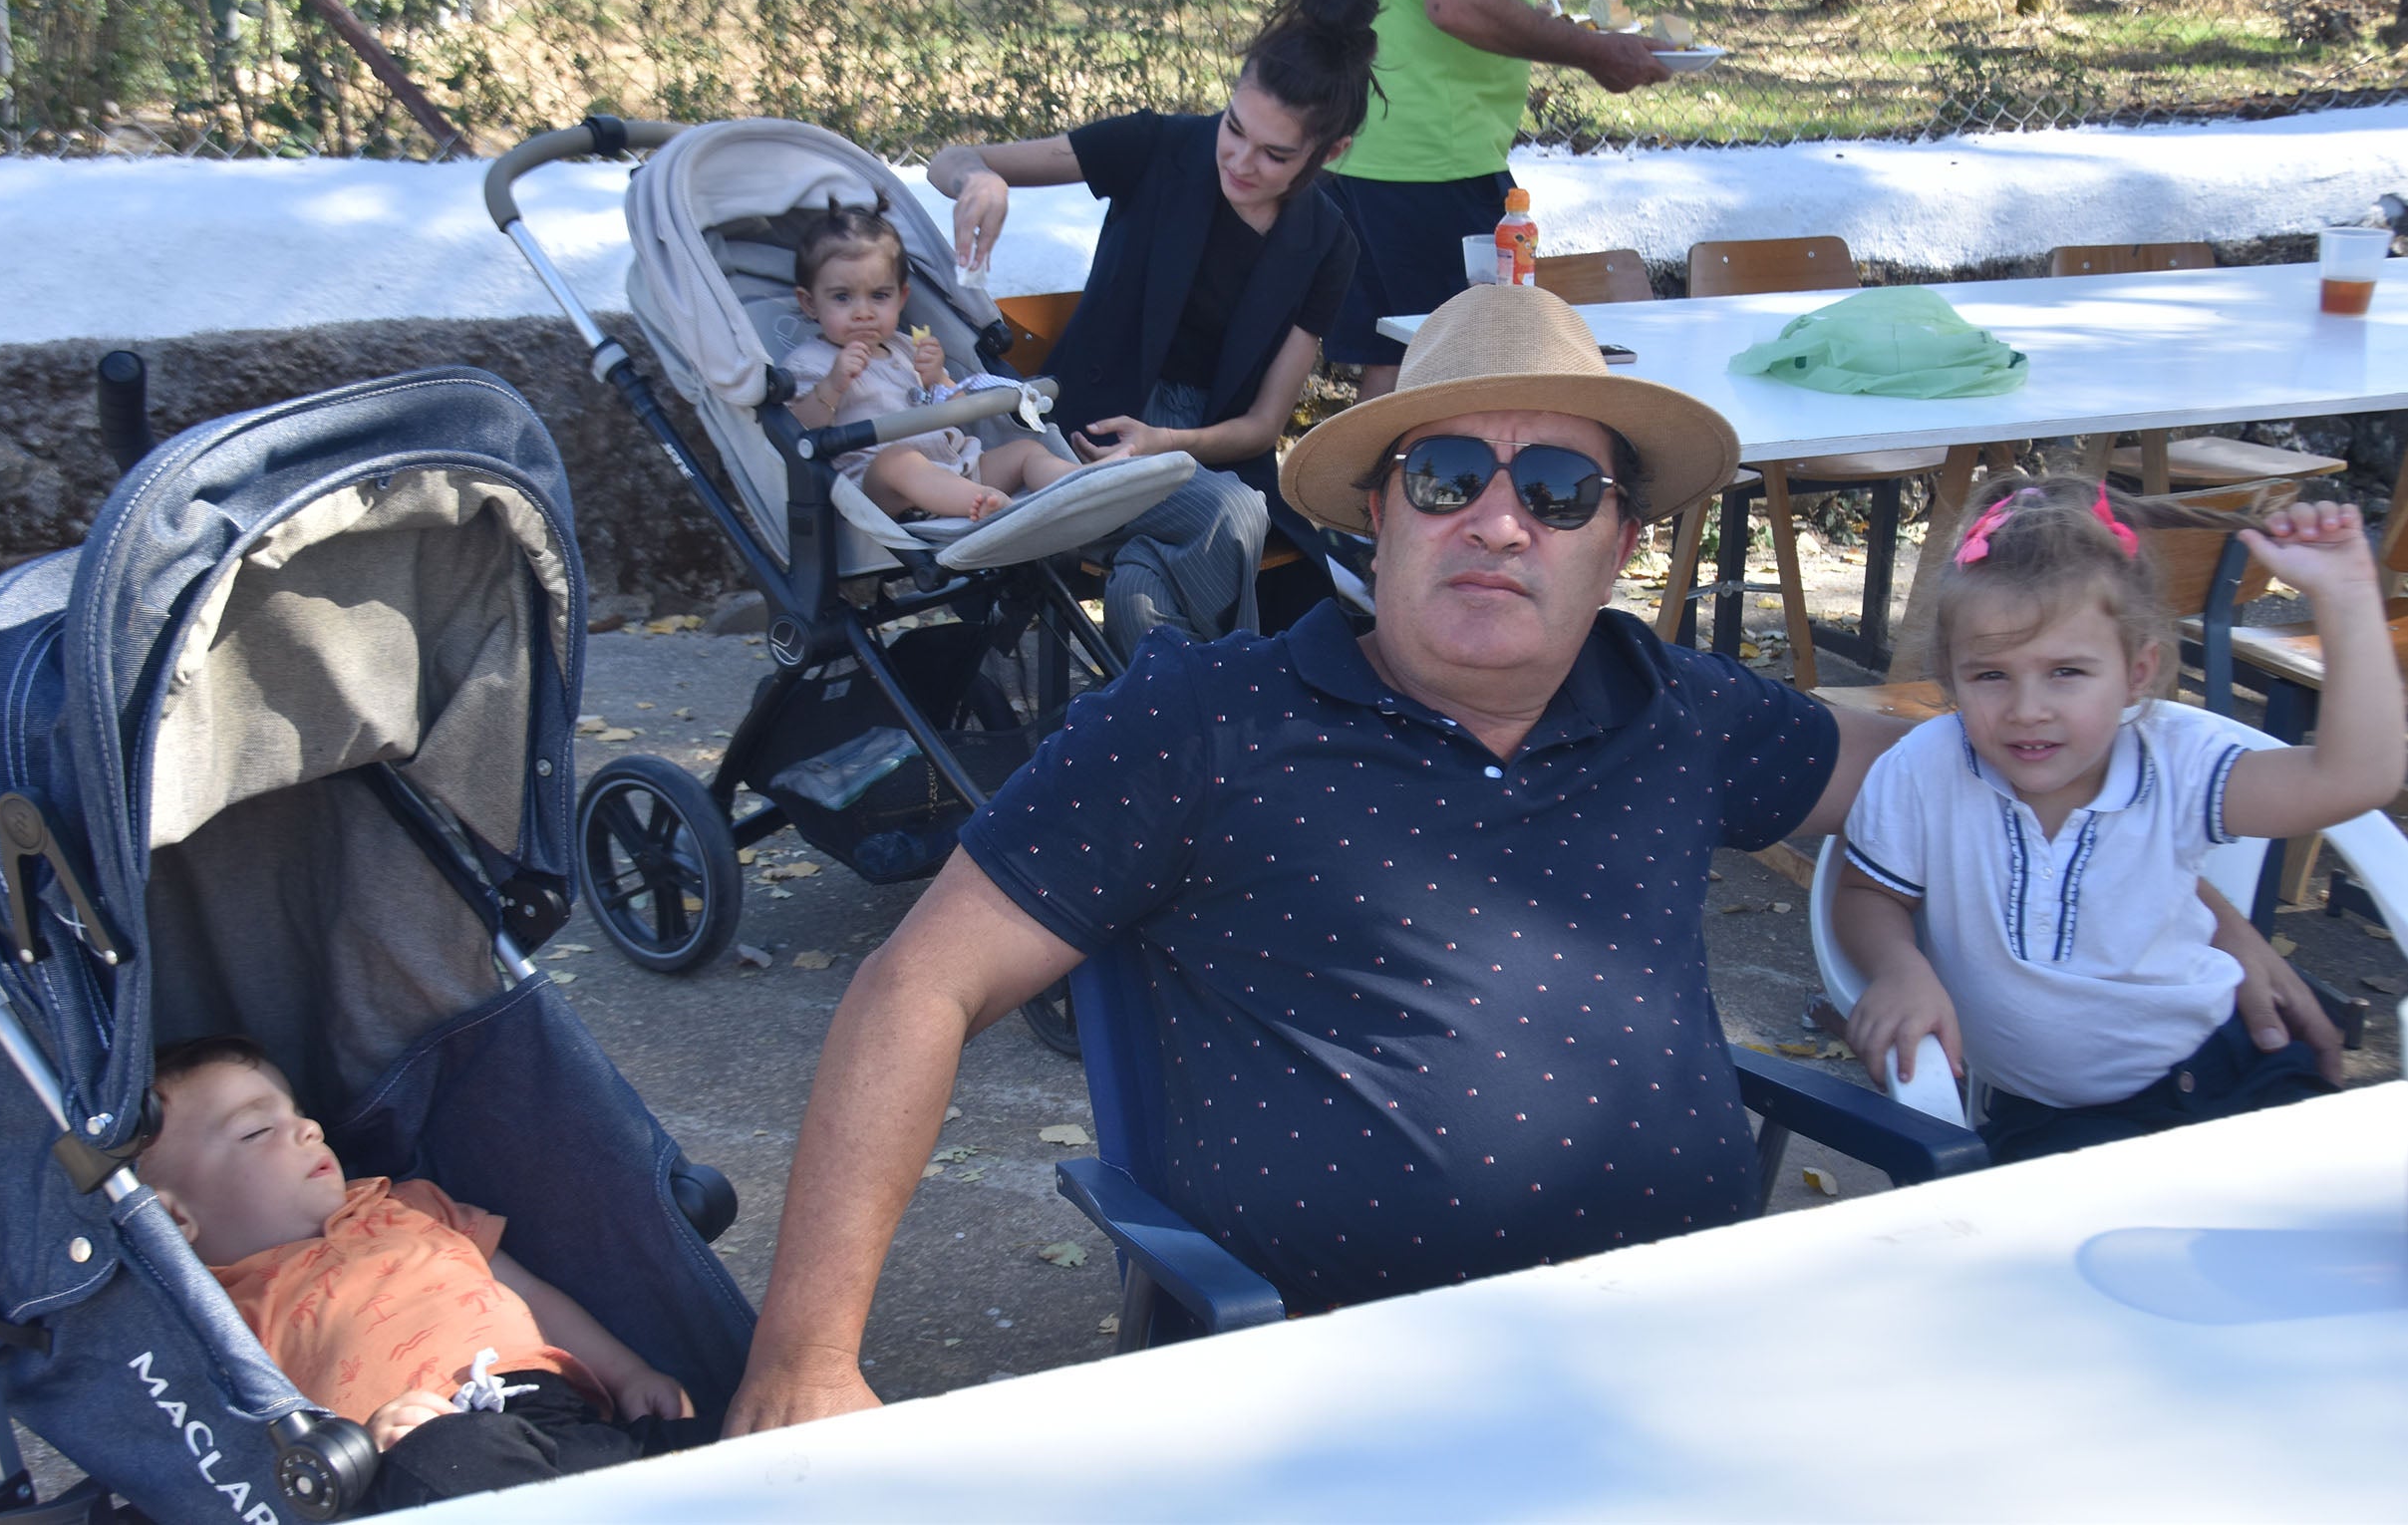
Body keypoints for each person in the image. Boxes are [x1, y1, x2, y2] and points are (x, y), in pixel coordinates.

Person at [722, 285, 2338, 1435]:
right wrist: (802, 1356)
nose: (1501, 519)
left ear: (1619, 540)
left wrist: (2188, 909)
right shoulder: (1204, 716)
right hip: (1332, 1401)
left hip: (1690, 1371)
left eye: (1558, 486)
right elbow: (918, 983)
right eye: (1451, 475)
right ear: (1380, 511)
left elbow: (1977, 774)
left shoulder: (1673, 701)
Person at [1837, 476, 2399, 1163]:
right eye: (1989, 676)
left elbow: (2354, 778)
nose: (2026, 708)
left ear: (2137, 673)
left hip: (2234, 1073)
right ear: (1948, 675)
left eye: (2066, 672)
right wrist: (1898, 969)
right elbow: (1869, 895)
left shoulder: (2178, 768)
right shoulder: (1924, 770)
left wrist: (2342, 599)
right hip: (2054, 1124)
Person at [926, 0, 1385, 649]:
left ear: (1331, 151)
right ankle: (1185, 705)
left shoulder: (1327, 242)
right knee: (1231, 527)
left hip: (1210, 453)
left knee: (1231, 571)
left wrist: (1168, 443)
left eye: (1274, 154)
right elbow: (951, 158)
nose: (1238, 160)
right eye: (1233, 128)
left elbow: (1261, 426)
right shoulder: (1157, 148)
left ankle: (1149, 661)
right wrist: (980, 182)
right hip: (1085, 440)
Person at [140, 1036, 706, 1511]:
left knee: (698, 1455)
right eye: (257, 1131)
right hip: (416, 1449)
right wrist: (361, 1445)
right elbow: (237, 1450)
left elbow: (532, 1295)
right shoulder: (223, 1309)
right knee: (449, 1461)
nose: (308, 1129)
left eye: (297, 1111)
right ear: (176, 1217)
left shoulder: (410, 1207)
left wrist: (627, 1372)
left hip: (556, 1409)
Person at [1313, 0, 1670, 401]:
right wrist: (1596, 51)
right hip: (1436, 156)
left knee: (1394, 371)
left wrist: (1528, 20)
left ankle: (1369, 484)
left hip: (1356, 140)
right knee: (1478, 387)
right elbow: (1454, 1)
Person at [783, 200, 1084, 522]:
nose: (863, 312)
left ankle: (1080, 486)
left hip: (955, 466)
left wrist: (938, 378)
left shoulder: (906, 347)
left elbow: (959, 414)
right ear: (810, 302)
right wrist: (832, 386)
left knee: (1026, 451)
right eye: (842, 297)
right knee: (897, 460)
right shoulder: (809, 363)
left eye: (879, 296)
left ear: (901, 298)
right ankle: (991, 505)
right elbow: (797, 433)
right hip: (881, 490)